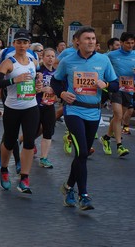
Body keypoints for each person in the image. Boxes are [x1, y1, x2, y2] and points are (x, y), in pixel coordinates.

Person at [52, 26, 118, 210]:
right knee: (82, 153)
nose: (91, 42)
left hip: (93, 112)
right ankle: (84, 195)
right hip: (74, 111)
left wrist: (105, 84)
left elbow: (115, 84)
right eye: (87, 39)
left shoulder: (103, 60)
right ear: (78, 42)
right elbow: (55, 81)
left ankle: (68, 187)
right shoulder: (68, 60)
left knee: (82, 154)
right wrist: (62, 93)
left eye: (93, 39)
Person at [0, 29, 41, 193]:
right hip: (12, 107)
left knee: (29, 142)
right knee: (10, 141)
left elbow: (36, 77)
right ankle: (4, 170)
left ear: (28, 44)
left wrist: (38, 85)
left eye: (25, 42)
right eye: (19, 42)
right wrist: (14, 79)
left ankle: (24, 178)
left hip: (31, 107)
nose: (22, 45)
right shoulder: (9, 62)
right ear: (14, 44)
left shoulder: (33, 61)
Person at [100, 31, 135, 156]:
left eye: (132, 43)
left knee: (117, 117)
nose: (130, 45)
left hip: (129, 90)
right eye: (127, 43)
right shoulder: (111, 55)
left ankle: (106, 138)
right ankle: (119, 146)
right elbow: (100, 63)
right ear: (121, 43)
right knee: (118, 115)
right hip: (115, 88)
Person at [36, 48, 57, 168]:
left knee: (48, 131)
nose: (50, 58)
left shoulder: (56, 73)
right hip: (36, 105)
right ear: (42, 57)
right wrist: (42, 89)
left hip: (49, 105)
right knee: (34, 130)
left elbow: (59, 89)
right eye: (48, 56)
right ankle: (25, 142)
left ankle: (43, 158)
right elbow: (30, 88)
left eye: (52, 56)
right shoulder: (38, 71)